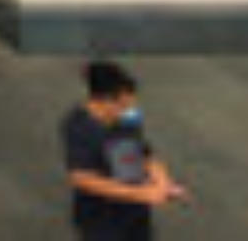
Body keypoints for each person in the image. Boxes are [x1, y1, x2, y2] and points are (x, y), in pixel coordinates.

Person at [62, 60, 186, 235]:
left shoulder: (127, 116)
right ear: (105, 101)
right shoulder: (80, 127)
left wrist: (162, 182)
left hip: (135, 213)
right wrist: (141, 194)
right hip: (102, 220)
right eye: (124, 105)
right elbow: (81, 178)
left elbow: (142, 150)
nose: (130, 110)